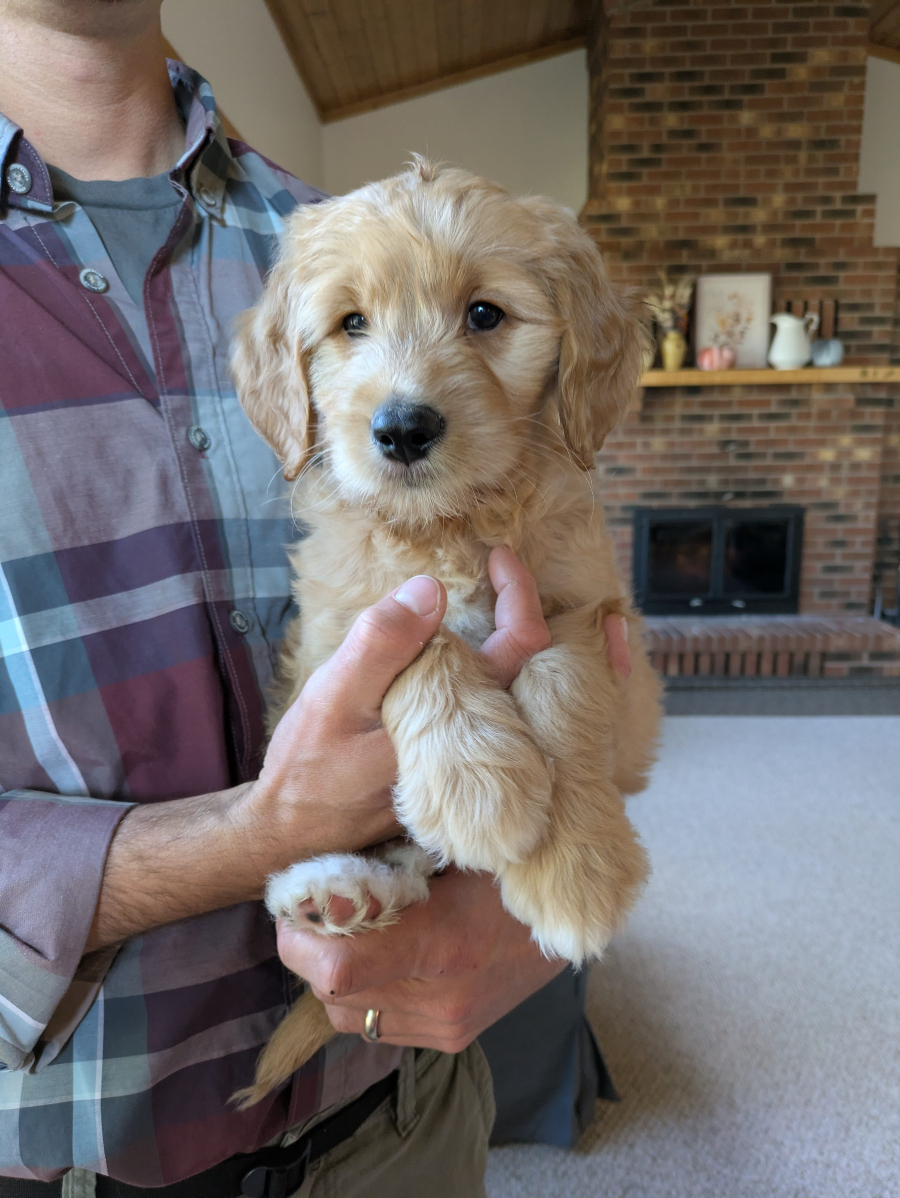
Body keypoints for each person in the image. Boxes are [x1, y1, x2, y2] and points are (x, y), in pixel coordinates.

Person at [0, 2, 629, 1194]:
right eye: (353, 332)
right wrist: (251, 840)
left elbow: (587, 639)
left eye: (482, 318)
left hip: (408, 1126)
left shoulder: (325, 226)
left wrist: (521, 902)